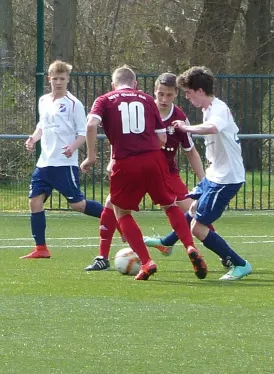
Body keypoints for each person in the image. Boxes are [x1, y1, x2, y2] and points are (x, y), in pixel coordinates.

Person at [80, 65, 208, 281]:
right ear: (136, 84)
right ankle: (189, 247)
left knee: (122, 212)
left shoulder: (105, 99)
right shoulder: (147, 99)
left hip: (125, 162)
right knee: (170, 205)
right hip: (154, 159)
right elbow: (162, 139)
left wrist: (91, 156)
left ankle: (147, 262)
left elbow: (91, 124)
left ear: (113, 84)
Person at [171, 66, 252, 280]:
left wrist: (185, 128)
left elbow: (213, 128)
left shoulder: (218, 109)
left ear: (199, 90)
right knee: (192, 206)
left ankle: (240, 264)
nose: (186, 97)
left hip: (226, 179)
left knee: (198, 227)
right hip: (215, 176)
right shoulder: (208, 110)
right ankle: (166, 243)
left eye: (188, 92)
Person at [21, 60, 103, 259]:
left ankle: (114, 217)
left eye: (62, 78)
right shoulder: (43, 100)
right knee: (34, 202)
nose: (58, 82)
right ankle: (41, 248)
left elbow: (83, 132)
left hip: (64, 164)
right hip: (44, 163)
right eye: (55, 78)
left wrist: (72, 147)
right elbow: (42, 125)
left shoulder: (74, 104)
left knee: (78, 205)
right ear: (49, 79)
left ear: (68, 80)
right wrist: (33, 138)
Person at [141, 72, 215, 256]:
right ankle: (102, 256)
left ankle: (221, 250)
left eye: (169, 94)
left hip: (168, 173)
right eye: (160, 94)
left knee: (195, 209)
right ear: (155, 91)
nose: (164, 99)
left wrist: (204, 181)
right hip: (141, 170)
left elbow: (191, 152)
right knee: (113, 204)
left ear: (176, 94)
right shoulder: (143, 111)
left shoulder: (180, 119)